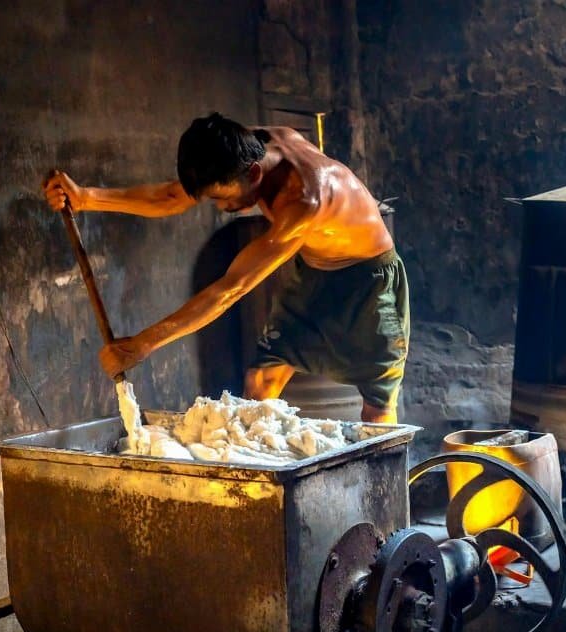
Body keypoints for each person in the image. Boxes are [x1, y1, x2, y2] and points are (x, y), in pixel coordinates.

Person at [43, 112, 409, 423]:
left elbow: (230, 289)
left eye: (221, 198)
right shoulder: (245, 146)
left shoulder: (304, 200)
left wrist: (141, 345)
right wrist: (87, 197)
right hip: (313, 273)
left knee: (377, 410)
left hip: (369, 280)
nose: (219, 208)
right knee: (261, 381)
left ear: (252, 175)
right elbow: (173, 196)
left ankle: (381, 488)